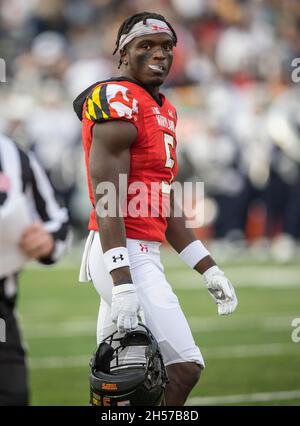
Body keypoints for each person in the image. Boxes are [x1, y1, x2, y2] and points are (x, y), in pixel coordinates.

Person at [73, 11, 238, 406]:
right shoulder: (117, 99)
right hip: (121, 249)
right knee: (183, 368)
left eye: (166, 47)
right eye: (145, 45)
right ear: (122, 53)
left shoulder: (163, 108)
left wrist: (207, 266)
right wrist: (123, 281)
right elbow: (108, 196)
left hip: (139, 249)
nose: (159, 54)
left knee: (121, 388)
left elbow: (162, 203)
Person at [0, 133, 71, 405]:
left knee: (12, 395)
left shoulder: (12, 154)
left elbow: (57, 223)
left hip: (1, 311)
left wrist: (47, 241)